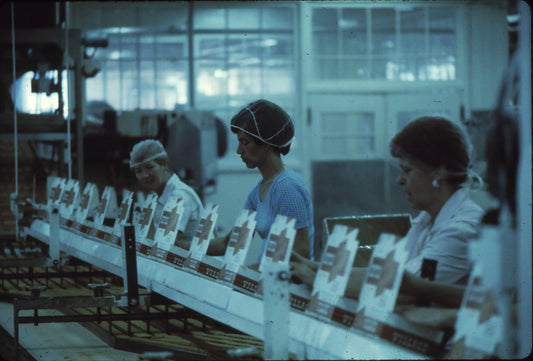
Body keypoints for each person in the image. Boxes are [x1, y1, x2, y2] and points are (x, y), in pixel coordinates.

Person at [291, 116, 484, 296]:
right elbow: (389, 271)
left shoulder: (462, 230)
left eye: (407, 170)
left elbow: (400, 286)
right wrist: (315, 267)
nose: (400, 180)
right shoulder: (427, 220)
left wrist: (318, 278)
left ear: (438, 173)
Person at [208, 99, 315, 261]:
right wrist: (180, 245)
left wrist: (256, 271)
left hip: (287, 283)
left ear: (266, 143)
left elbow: (301, 251)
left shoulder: (288, 188)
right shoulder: (259, 191)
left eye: (245, 143)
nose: (238, 151)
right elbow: (230, 243)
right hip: (266, 279)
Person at [130, 139, 203, 248]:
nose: (144, 175)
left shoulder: (179, 196)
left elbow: (165, 242)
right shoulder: (157, 196)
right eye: (138, 171)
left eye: (149, 167)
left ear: (164, 165)